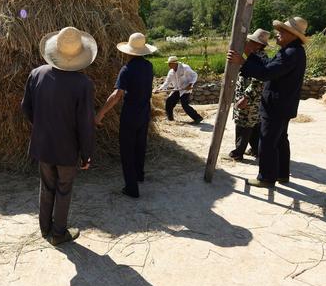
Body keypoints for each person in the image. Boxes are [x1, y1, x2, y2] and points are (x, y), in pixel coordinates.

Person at [21, 27, 96, 246]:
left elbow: (26, 108)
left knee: (47, 186)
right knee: (64, 190)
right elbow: (85, 124)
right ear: (80, 55)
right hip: (67, 149)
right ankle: (59, 233)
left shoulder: (37, 74)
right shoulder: (83, 85)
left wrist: (42, 126)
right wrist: (86, 154)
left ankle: (45, 228)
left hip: (43, 146)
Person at [227, 17, 308, 188]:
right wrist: (247, 59)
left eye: (281, 32)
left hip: (276, 105)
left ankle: (266, 177)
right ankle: (282, 174)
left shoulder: (289, 53)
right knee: (280, 140)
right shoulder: (292, 51)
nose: (277, 34)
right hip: (283, 105)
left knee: (267, 141)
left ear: (292, 35)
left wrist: (241, 62)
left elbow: (265, 73)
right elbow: (267, 64)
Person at [95, 32, 156, 198]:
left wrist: (99, 115)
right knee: (140, 145)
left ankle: (131, 188)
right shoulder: (149, 66)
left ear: (128, 52)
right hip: (144, 113)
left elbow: (116, 96)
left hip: (130, 115)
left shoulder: (126, 69)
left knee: (127, 150)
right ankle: (139, 175)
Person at [229, 29, 269, 161]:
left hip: (250, 100)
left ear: (257, 45)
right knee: (253, 124)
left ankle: (238, 152)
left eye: (248, 42)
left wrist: (246, 97)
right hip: (252, 100)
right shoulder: (256, 57)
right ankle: (256, 149)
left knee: (244, 124)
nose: (245, 45)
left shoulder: (259, 59)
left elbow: (258, 81)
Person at [155, 56, 203, 124]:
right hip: (177, 89)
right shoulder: (171, 72)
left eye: (170, 63)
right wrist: (159, 89)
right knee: (169, 102)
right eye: (168, 63)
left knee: (185, 105)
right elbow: (167, 82)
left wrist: (190, 84)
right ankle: (170, 119)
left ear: (175, 63)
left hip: (185, 89)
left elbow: (194, 75)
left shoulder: (185, 68)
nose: (168, 65)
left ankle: (198, 118)